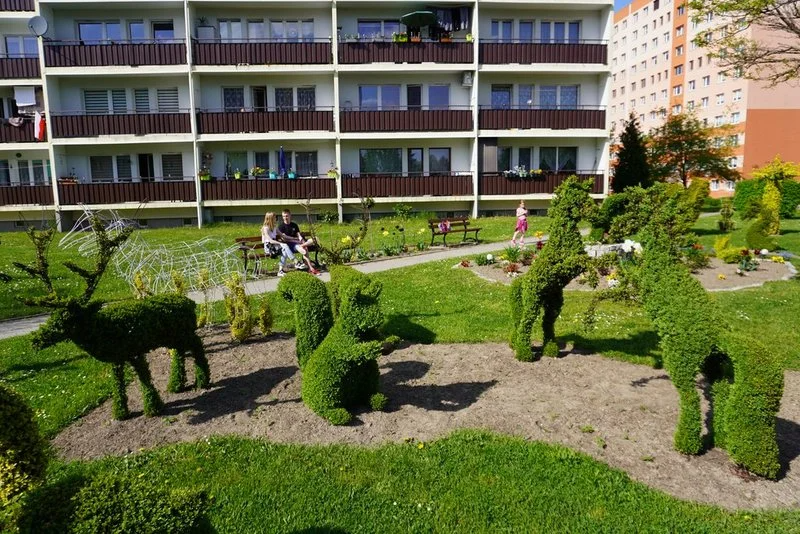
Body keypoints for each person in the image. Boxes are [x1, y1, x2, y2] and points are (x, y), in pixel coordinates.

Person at [277, 209, 320, 275]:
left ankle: (303, 246)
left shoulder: (294, 225)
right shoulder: (281, 227)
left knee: (315, 239)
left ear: (290, 215)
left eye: (286, 216)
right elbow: (285, 239)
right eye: (283, 216)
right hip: (290, 245)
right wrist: (295, 240)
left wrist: (302, 240)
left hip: (298, 243)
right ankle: (311, 268)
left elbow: (298, 235)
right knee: (304, 250)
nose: (285, 218)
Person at [261, 212, 295, 277]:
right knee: (284, 246)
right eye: (274, 217)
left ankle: (280, 271)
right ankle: (295, 261)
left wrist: (294, 238)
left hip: (275, 246)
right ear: (270, 218)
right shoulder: (265, 228)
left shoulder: (275, 227)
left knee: (284, 251)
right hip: (269, 247)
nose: (276, 218)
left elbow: (283, 236)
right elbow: (270, 241)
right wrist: (281, 244)